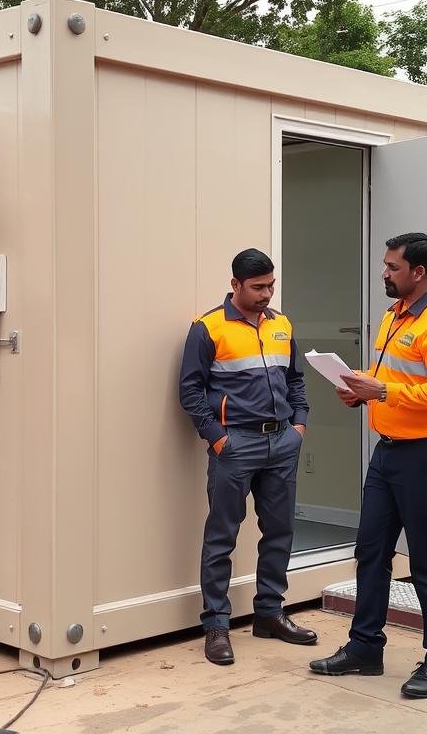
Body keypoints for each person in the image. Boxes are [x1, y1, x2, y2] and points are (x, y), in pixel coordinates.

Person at [309, 232, 427, 699]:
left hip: (426, 452)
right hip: (388, 451)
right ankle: (365, 648)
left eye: (392, 267)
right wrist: (359, 391)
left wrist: (380, 392)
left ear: (418, 273)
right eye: (385, 265)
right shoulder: (394, 315)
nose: (384, 273)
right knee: (371, 550)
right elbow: (392, 379)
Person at [179, 248, 313, 666]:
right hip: (236, 446)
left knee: (279, 531)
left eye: (270, 285)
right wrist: (218, 439)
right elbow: (190, 391)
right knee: (222, 536)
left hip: (282, 445)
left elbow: (295, 379)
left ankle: (270, 613)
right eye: (257, 287)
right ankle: (216, 625)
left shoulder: (282, 324)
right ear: (235, 285)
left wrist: (300, 425)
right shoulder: (208, 328)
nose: (266, 294)